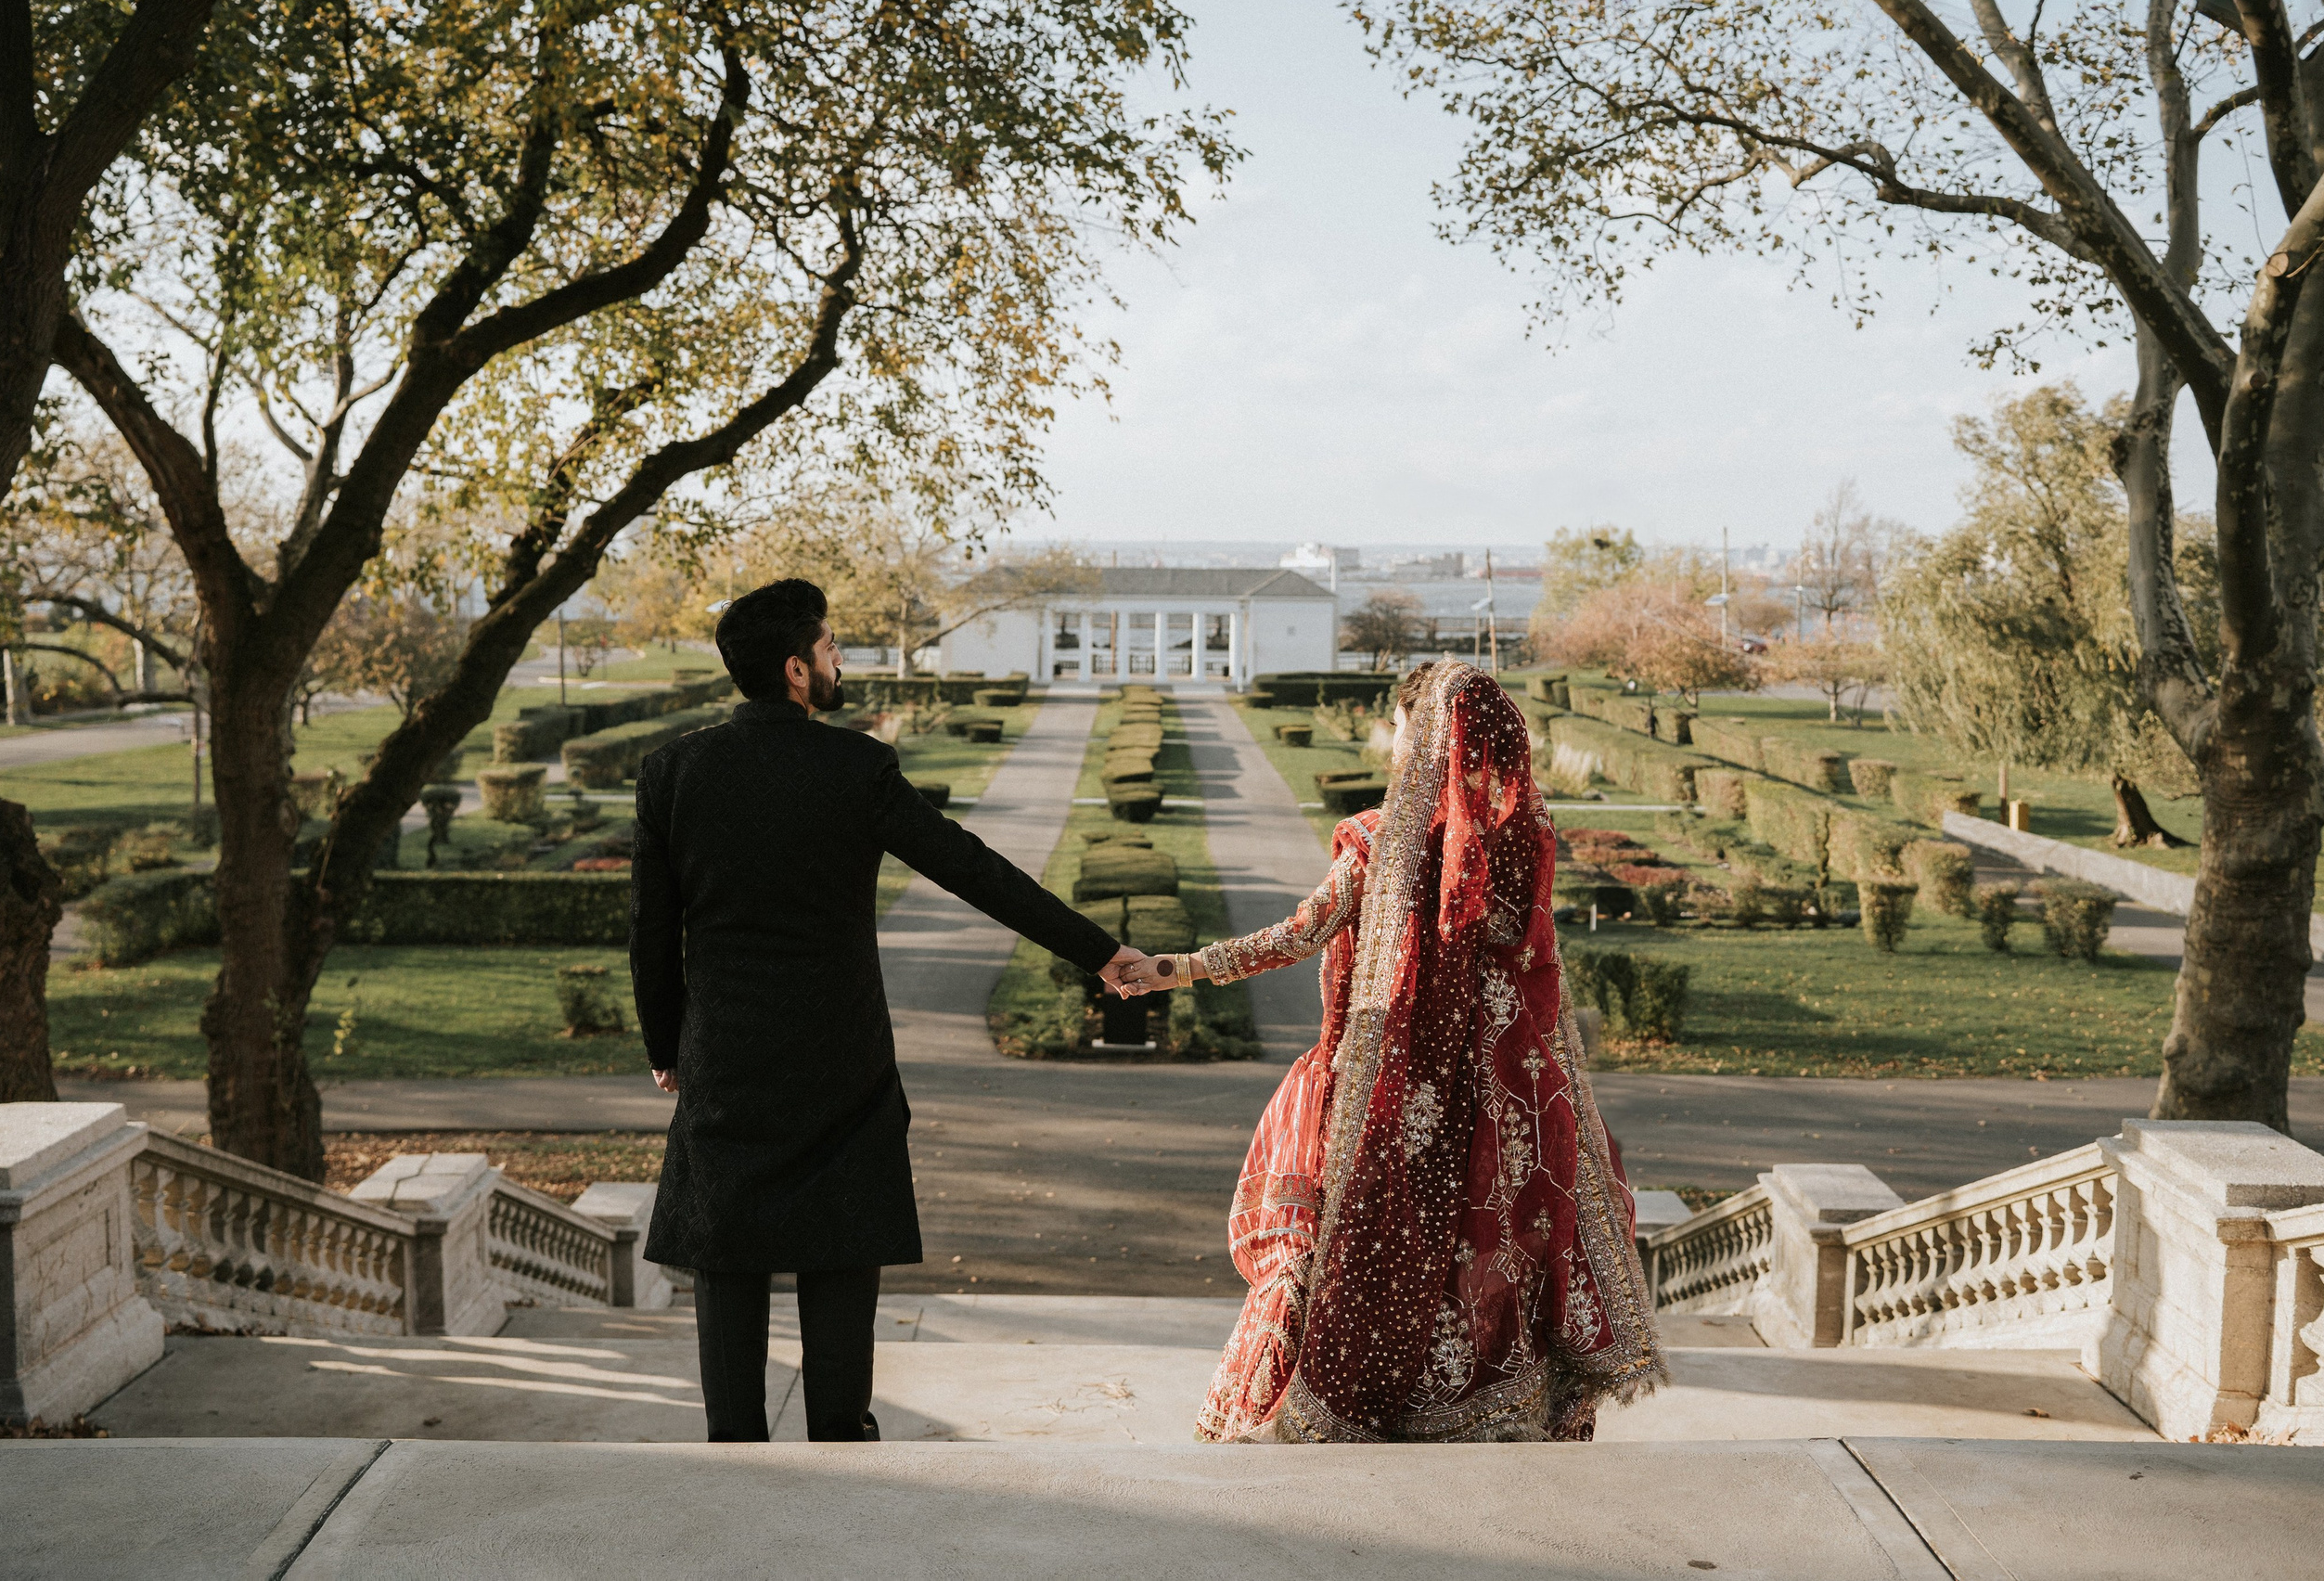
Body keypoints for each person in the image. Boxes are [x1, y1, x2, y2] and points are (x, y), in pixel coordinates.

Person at [630, 579, 1149, 1442]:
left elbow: (652, 930)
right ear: (797, 670)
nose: (843, 660)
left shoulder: (671, 772)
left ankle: (736, 1460)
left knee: (729, 1260)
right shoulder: (855, 767)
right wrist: (1101, 952)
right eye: (832, 647)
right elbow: (972, 868)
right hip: (842, 1063)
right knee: (839, 1259)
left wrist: (665, 1041)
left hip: (725, 1059)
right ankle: (840, 1452)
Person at [1135, 657, 1665, 1442]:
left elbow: (1298, 933)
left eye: (1396, 723)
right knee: (1487, 1252)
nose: (1391, 738)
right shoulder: (1518, 844)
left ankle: (1341, 1403)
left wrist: (1175, 968)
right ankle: (1481, 1408)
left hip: (1384, 1098)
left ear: (1419, 735)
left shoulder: (1381, 843)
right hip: (1503, 1104)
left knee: (1335, 1253)